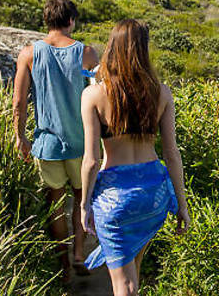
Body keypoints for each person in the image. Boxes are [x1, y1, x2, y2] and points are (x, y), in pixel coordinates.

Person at [79, 19, 190, 296]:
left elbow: (91, 160)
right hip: (154, 193)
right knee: (134, 272)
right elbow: (172, 154)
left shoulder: (93, 95)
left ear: (112, 47)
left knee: (124, 286)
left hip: (116, 199)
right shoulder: (161, 92)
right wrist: (182, 204)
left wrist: (84, 204)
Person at [12, 0, 99, 282]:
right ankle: (79, 254)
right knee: (81, 198)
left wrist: (20, 137)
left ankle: (62, 268)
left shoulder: (28, 54)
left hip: (47, 144)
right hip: (81, 143)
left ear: (46, 20)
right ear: (71, 20)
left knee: (55, 205)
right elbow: (101, 97)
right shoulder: (86, 53)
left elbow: (19, 102)